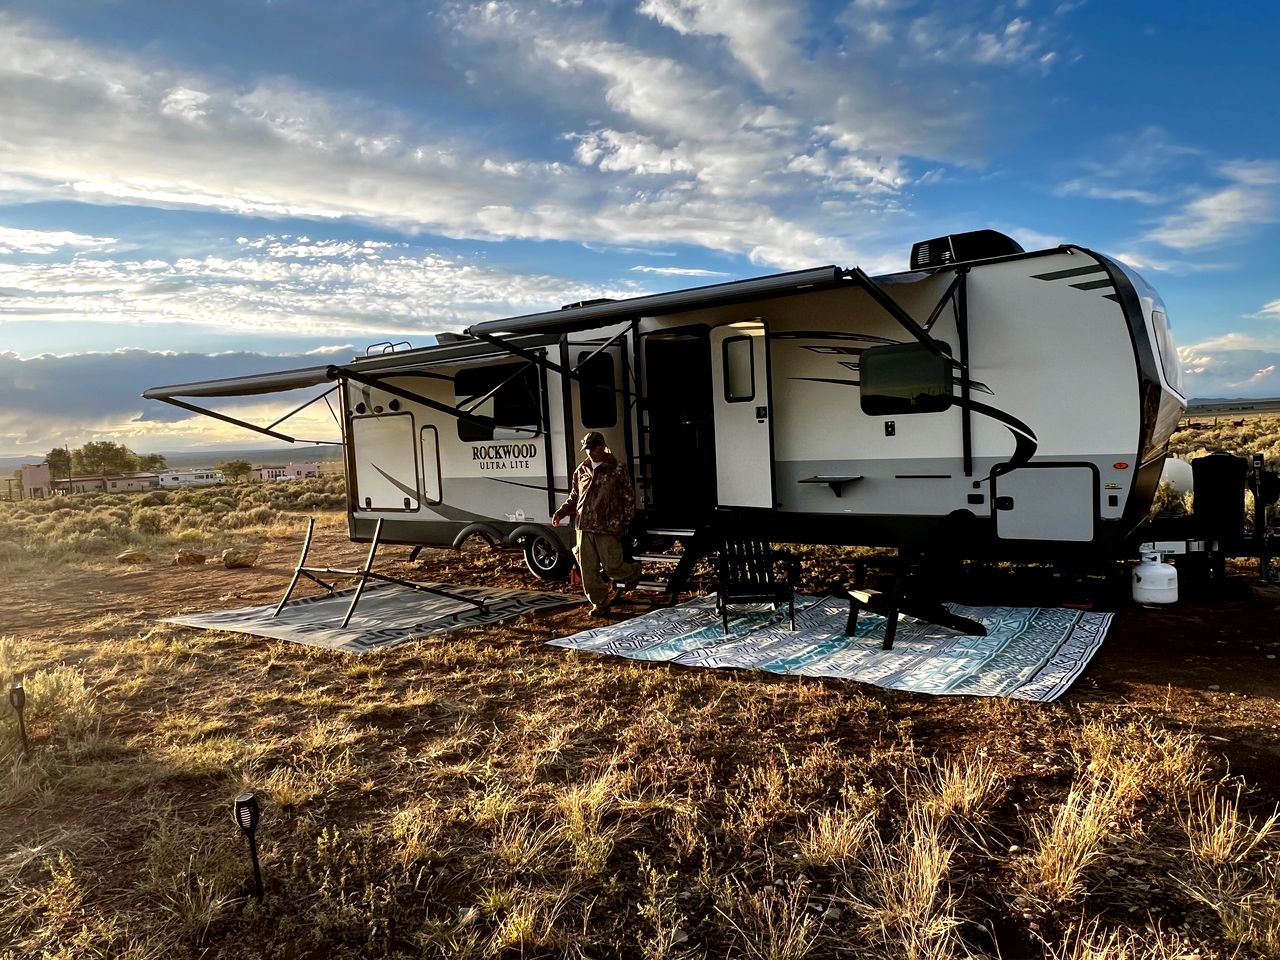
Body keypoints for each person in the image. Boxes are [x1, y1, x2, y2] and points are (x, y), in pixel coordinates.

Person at [552, 431, 641, 617]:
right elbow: (574, 497)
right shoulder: (581, 470)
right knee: (588, 571)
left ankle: (634, 572)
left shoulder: (617, 468)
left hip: (606, 526)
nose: (590, 452)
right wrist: (561, 512)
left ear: (602, 446)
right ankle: (600, 604)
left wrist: (623, 522)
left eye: (593, 448)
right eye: (588, 449)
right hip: (583, 526)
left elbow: (628, 498)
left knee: (612, 566)